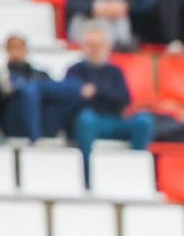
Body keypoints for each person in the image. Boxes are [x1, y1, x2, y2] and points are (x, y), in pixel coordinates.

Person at [65, 27, 155, 169]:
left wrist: (96, 91)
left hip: (115, 120)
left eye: (98, 46)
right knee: (86, 118)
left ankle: (136, 169)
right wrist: (105, 94)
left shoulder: (115, 72)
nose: (95, 50)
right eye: (90, 45)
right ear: (83, 47)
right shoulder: (75, 70)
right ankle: (87, 172)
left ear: (107, 47)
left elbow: (124, 98)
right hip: (90, 123)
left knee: (144, 120)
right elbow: (70, 100)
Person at [0, 35, 82, 143]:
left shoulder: (41, 75)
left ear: (26, 50)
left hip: (44, 120)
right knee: (30, 90)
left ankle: (69, 136)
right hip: (14, 121)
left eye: (19, 47)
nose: (16, 51)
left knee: (72, 88)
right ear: (7, 50)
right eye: (13, 47)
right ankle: (35, 138)